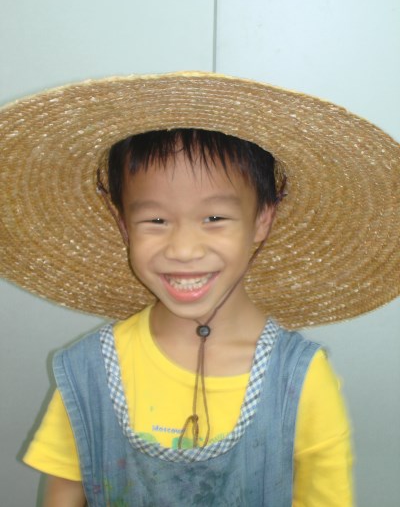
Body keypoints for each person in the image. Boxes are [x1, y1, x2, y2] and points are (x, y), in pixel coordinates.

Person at [1, 72, 399, 506]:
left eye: (214, 218)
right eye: (156, 220)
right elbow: (64, 492)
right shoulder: (88, 372)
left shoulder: (300, 380)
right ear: (124, 225)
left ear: (262, 220)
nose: (184, 249)